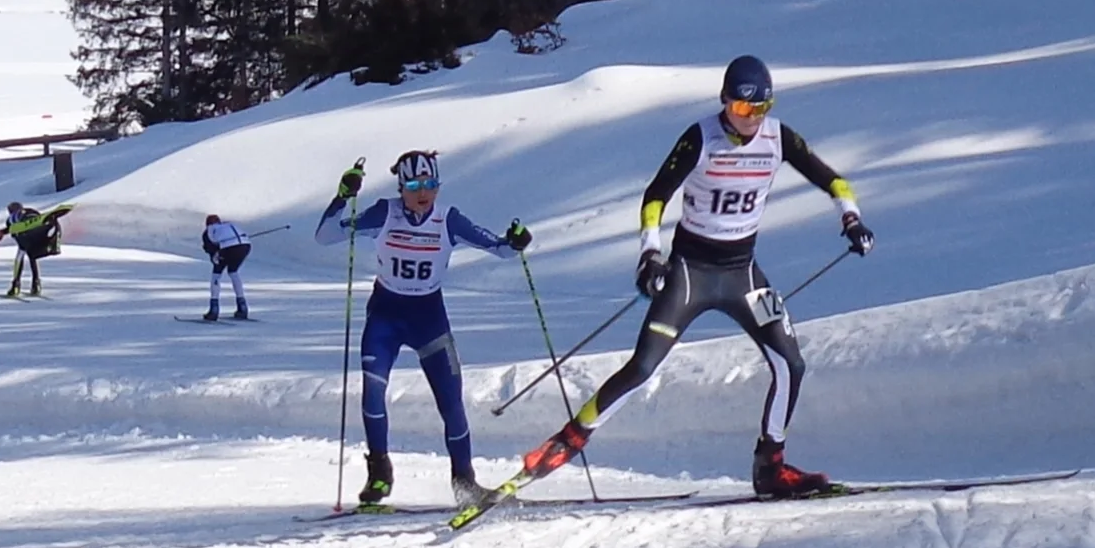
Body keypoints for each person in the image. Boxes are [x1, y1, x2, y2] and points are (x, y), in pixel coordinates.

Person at [521, 55, 874, 497]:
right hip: (690, 272)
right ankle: (566, 440)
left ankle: (771, 466)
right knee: (644, 368)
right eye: (742, 110)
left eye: (760, 110)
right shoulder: (700, 137)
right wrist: (651, 254)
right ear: (725, 102)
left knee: (791, 364)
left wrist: (852, 219)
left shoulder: (777, 138)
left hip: (744, 274)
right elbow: (656, 196)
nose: (750, 120)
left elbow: (834, 181)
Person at [316, 151, 532, 505]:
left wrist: (517, 240)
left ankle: (465, 482)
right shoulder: (385, 213)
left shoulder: (448, 220)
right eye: (414, 185)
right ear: (401, 187)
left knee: (450, 403)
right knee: (372, 392)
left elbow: (501, 249)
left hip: (428, 319)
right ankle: (380, 475)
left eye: (430, 185)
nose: (422, 193)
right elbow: (325, 237)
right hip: (386, 316)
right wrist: (343, 196)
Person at [0, 200, 60, 297]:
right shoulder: (32, 211)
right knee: (32, 257)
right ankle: (36, 285)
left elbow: (11, 226)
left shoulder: (13, 216)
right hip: (36, 237)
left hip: (25, 239)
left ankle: (15, 286)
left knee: (19, 258)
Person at [201, 214, 251, 321]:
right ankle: (243, 307)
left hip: (227, 248)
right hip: (245, 246)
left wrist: (215, 259)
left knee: (216, 275)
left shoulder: (209, 231)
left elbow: (209, 248)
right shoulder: (229, 225)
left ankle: (214, 309)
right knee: (233, 272)